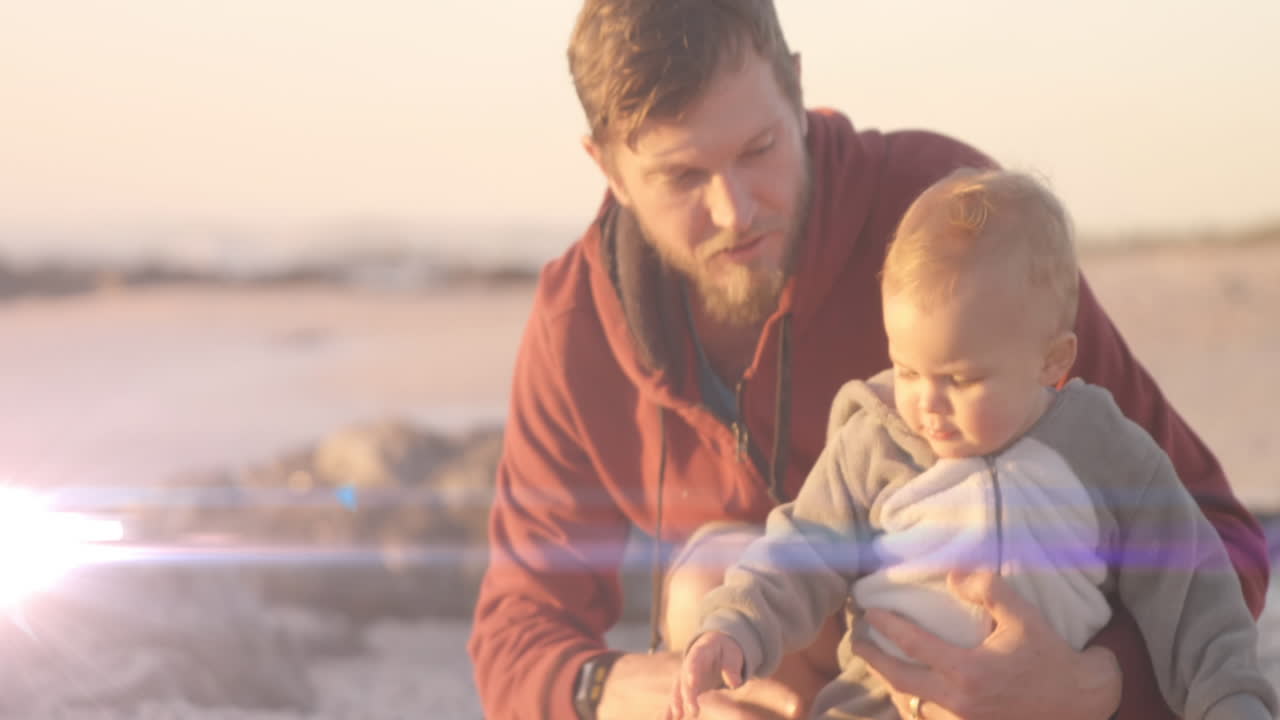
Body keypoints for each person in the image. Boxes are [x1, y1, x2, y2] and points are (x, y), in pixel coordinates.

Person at [467, 2, 1271, 718]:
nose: (734, 210)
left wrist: (1095, 685)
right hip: (829, 674)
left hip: (1048, 663)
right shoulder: (579, 325)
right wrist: (608, 688)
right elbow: (514, 631)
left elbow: (1221, 538)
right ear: (607, 167)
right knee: (709, 582)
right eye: (681, 175)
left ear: (796, 87)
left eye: (758, 149)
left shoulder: (957, 237)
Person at [666, 169, 1277, 720]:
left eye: (960, 380)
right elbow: (801, 549)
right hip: (883, 704)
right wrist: (735, 627)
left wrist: (1230, 697)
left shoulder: (1102, 448)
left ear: (1052, 360)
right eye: (907, 369)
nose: (926, 401)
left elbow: (1190, 583)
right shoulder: (875, 445)